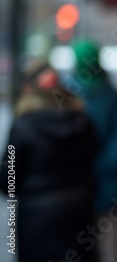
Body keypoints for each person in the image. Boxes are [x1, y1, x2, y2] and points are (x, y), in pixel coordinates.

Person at [0, 61, 98, 262]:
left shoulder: (23, 126)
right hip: (80, 212)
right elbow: (94, 158)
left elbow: (8, 181)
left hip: (37, 219)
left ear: (29, 90)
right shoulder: (84, 121)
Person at [71, 39, 117, 262]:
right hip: (98, 184)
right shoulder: (109, 95)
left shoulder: (73, 95)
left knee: (103, 247)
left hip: (90, 184)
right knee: (108, 246)